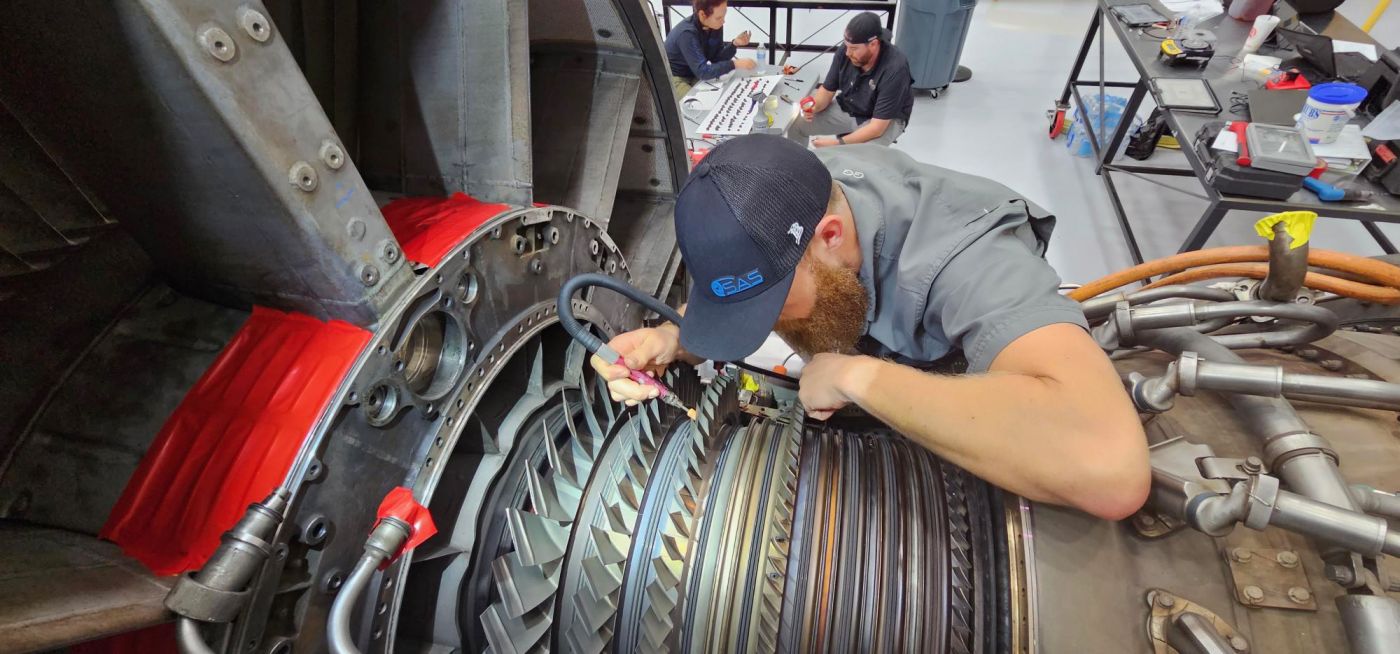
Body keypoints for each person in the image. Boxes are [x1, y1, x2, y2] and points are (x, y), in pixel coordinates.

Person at [590, 135, 1150, 521]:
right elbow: (745, 286)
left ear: (830, 236)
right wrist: (676, 339)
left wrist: (860, 378)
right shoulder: (782, 198)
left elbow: (1110, 469)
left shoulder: (964, 259)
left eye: (773, 303)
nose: (769, 325)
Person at [787, 12, 915, 148]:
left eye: (854, 48)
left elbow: (877, 128)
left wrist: (837, 144)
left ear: (873, 44)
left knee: (853, 155)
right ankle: (797, 166)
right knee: (796, 124)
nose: (848, 53)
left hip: (884, 120)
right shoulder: (846, 52)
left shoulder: (895, 68)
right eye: (846, 46)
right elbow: (827, 90)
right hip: (852, 106)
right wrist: (813, 107)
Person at [665, 0, 756, 99]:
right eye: (719, 18)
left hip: (694, 73)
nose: (723, 21)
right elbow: (703, 71)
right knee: (698, 104)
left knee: (723, 94)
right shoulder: (687, 33)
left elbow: (716, 58)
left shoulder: (714, 25)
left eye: (724, 15)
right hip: (674, 77)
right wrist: (735, 64)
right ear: (702, 14)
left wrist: (734, 44)